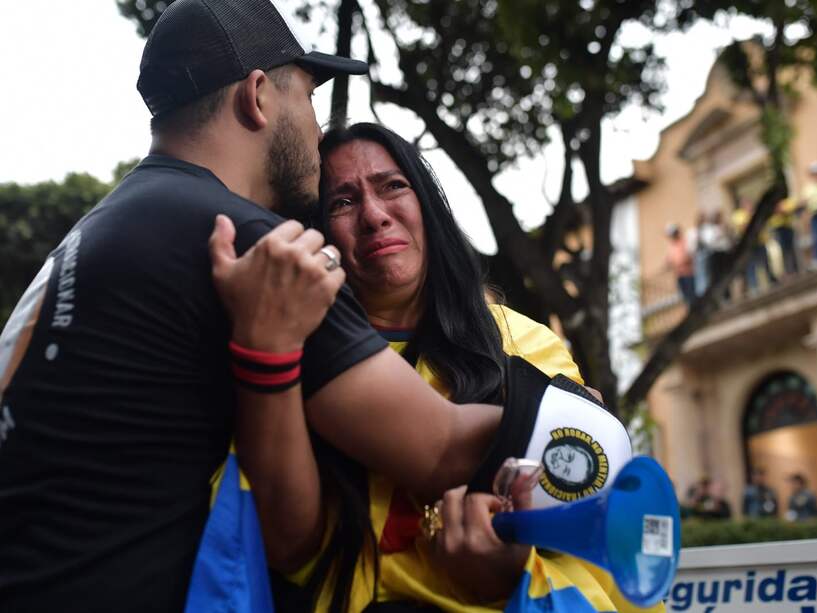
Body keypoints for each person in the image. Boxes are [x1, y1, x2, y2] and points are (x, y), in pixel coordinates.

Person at [0, 1, 506, 609]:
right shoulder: (242, 242)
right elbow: (440, 449)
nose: (317, 131)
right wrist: (580, 420)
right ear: (259, 95)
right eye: (309, 99)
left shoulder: (114, 221)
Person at [283, 123, 658, 612]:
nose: (374, 216)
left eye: (393, 186)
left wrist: (510, 574)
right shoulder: (295, 348)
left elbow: (590, 519)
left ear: (428, 205)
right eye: (343, 202)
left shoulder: (524, 343)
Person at [731, 197, 777, 296]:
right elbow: (744, 227)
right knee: (751, 265)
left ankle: (771, 279)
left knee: (765, 261)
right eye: (746, 203)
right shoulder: (738, 216)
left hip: (760, 241)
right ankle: (754, 286)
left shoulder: (754, 213)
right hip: (749, 245)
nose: (749, 205)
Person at [768, 197, 802, 277]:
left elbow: (791, 209)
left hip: (787, 226)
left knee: (792, 249)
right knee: (784, 251)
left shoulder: (785, 202)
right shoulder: (769, 206)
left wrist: (783, 211)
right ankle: (788, 271)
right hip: (778, 228)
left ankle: (796, 270)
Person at [665, 223, 696, 304]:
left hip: (689, 273)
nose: (673, 236)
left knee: (692, 295)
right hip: (679, 275)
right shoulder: (672, 245)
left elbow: (690, 255)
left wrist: (681, 261)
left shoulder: (685, 242)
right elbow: (670, 259)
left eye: (674, 233)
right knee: (685, 296)